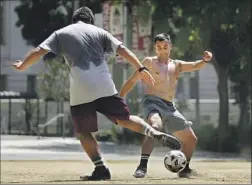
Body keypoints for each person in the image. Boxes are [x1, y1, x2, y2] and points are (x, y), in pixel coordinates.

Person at [12, 7, 182, 181]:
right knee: (125, 118)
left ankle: (101, 168)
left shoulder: (61, 33)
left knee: (84, 133)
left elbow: (39, 51)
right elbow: (123, 50)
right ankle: (153, 132)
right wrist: (141, 68)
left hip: (81, 90)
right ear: (90, 21)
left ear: (74, 20)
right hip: (104, 86)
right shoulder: (100, 32)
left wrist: (23, 65)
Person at [120, 33, 212, 178]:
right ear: (155, 48)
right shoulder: (149, 62)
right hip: (152, 102)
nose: (162, 50)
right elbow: (132, 81)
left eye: (165, 47)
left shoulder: (176, 65)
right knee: (155, 127)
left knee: (191, 139)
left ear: (170, 46)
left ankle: (184, 169)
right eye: (158, 47)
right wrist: (119, 98)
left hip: (170, 107)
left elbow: (195, 65)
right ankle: (142, 167)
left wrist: (205, 60)